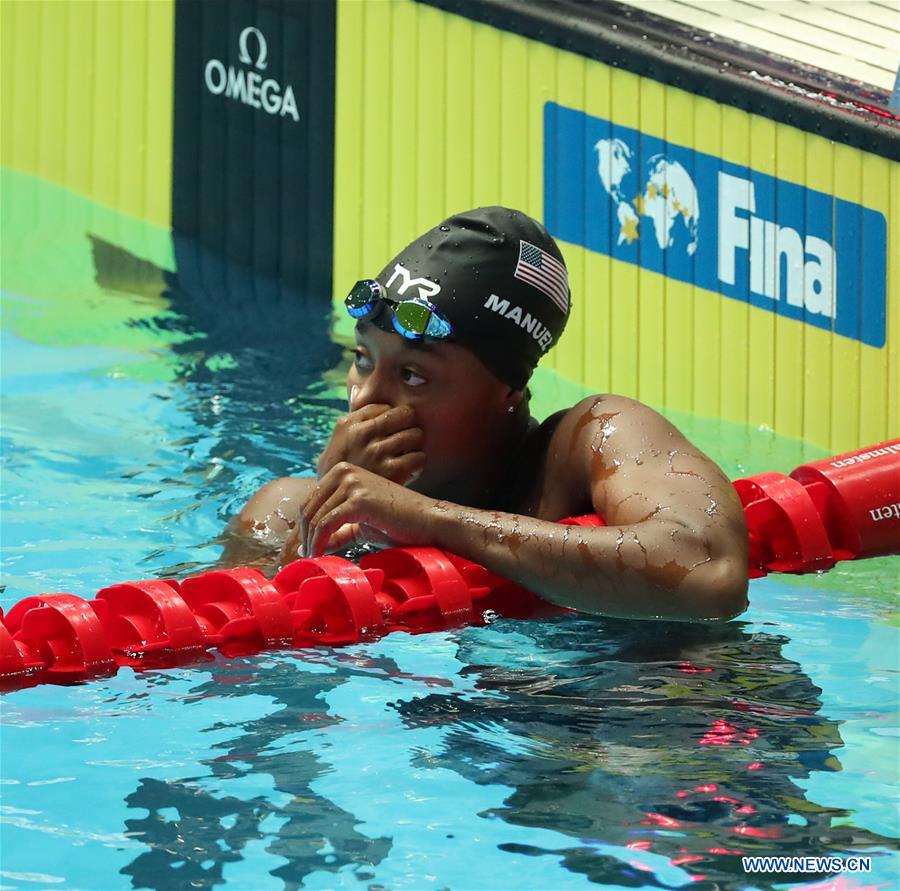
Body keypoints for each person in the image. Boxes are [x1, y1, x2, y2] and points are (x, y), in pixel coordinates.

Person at [233, 207, 749, 620]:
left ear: (509, 388)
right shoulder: (281, 510)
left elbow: (710, 572)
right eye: (363, 359)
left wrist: (427, 520)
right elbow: (229, 661)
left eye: (413, 375)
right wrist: (316, 529)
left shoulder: (588, 442)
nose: (366, 397)